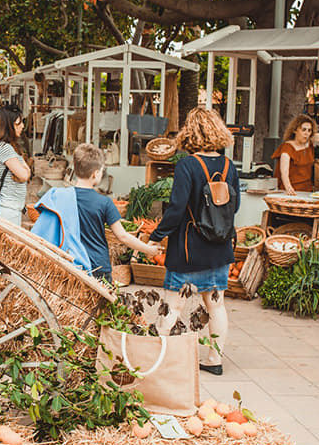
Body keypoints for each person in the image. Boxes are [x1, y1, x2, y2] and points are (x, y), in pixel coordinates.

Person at [148, 107, 239, 376]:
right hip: (220, 247)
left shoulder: (187, 165)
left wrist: (157, 234)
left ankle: (159, 359)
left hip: (188, 249)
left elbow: (176, 208)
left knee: (174, 304)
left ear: (191, 132)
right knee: (216, 303)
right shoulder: (228, 165)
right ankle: (214, 359)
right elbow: (235, 207)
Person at [32, 143, 162, 282]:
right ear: (96, 174)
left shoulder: (59, 197)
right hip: (98, 267)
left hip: (70, 264)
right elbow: (123, 236)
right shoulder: (104, 202)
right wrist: (148, 250)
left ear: (75, 169)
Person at [0, 107, 31, 226]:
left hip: (9, 207)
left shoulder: (6, 147)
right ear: (8, 126)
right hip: (6, 209)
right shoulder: (5, 148)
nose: (22, 127)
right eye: (18, 123)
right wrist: (25, 168)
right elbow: (24, 175)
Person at [272, 114, 316, 194]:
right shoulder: (287, 147)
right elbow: (284, 173)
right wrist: (289, 189)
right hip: (291, 191)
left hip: (307, 191)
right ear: (295, 130)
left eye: (309, 130)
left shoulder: (309, 146)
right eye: (303, 130)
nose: (306, 133)